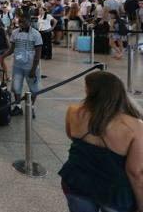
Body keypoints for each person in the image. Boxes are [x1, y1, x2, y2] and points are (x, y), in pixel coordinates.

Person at [59, 71, 143, 212]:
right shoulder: (135, 126)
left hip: (76, 180)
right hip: (114, 192)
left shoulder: (74, 112)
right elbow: (135, 172)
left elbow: (72, 136)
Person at [3, 14, 42, 118]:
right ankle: (18, 106)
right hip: (18, 66)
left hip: (31, 66)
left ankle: (31, 107)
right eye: (19, 21)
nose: (21, 24)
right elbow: (11, 49)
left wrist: (33, 69)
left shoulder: (36, 34)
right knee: (16, 87)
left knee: (33, 89)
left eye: (23, 21)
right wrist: (2, 57)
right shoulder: (15, 33)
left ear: (29, 22)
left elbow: (38, 54)